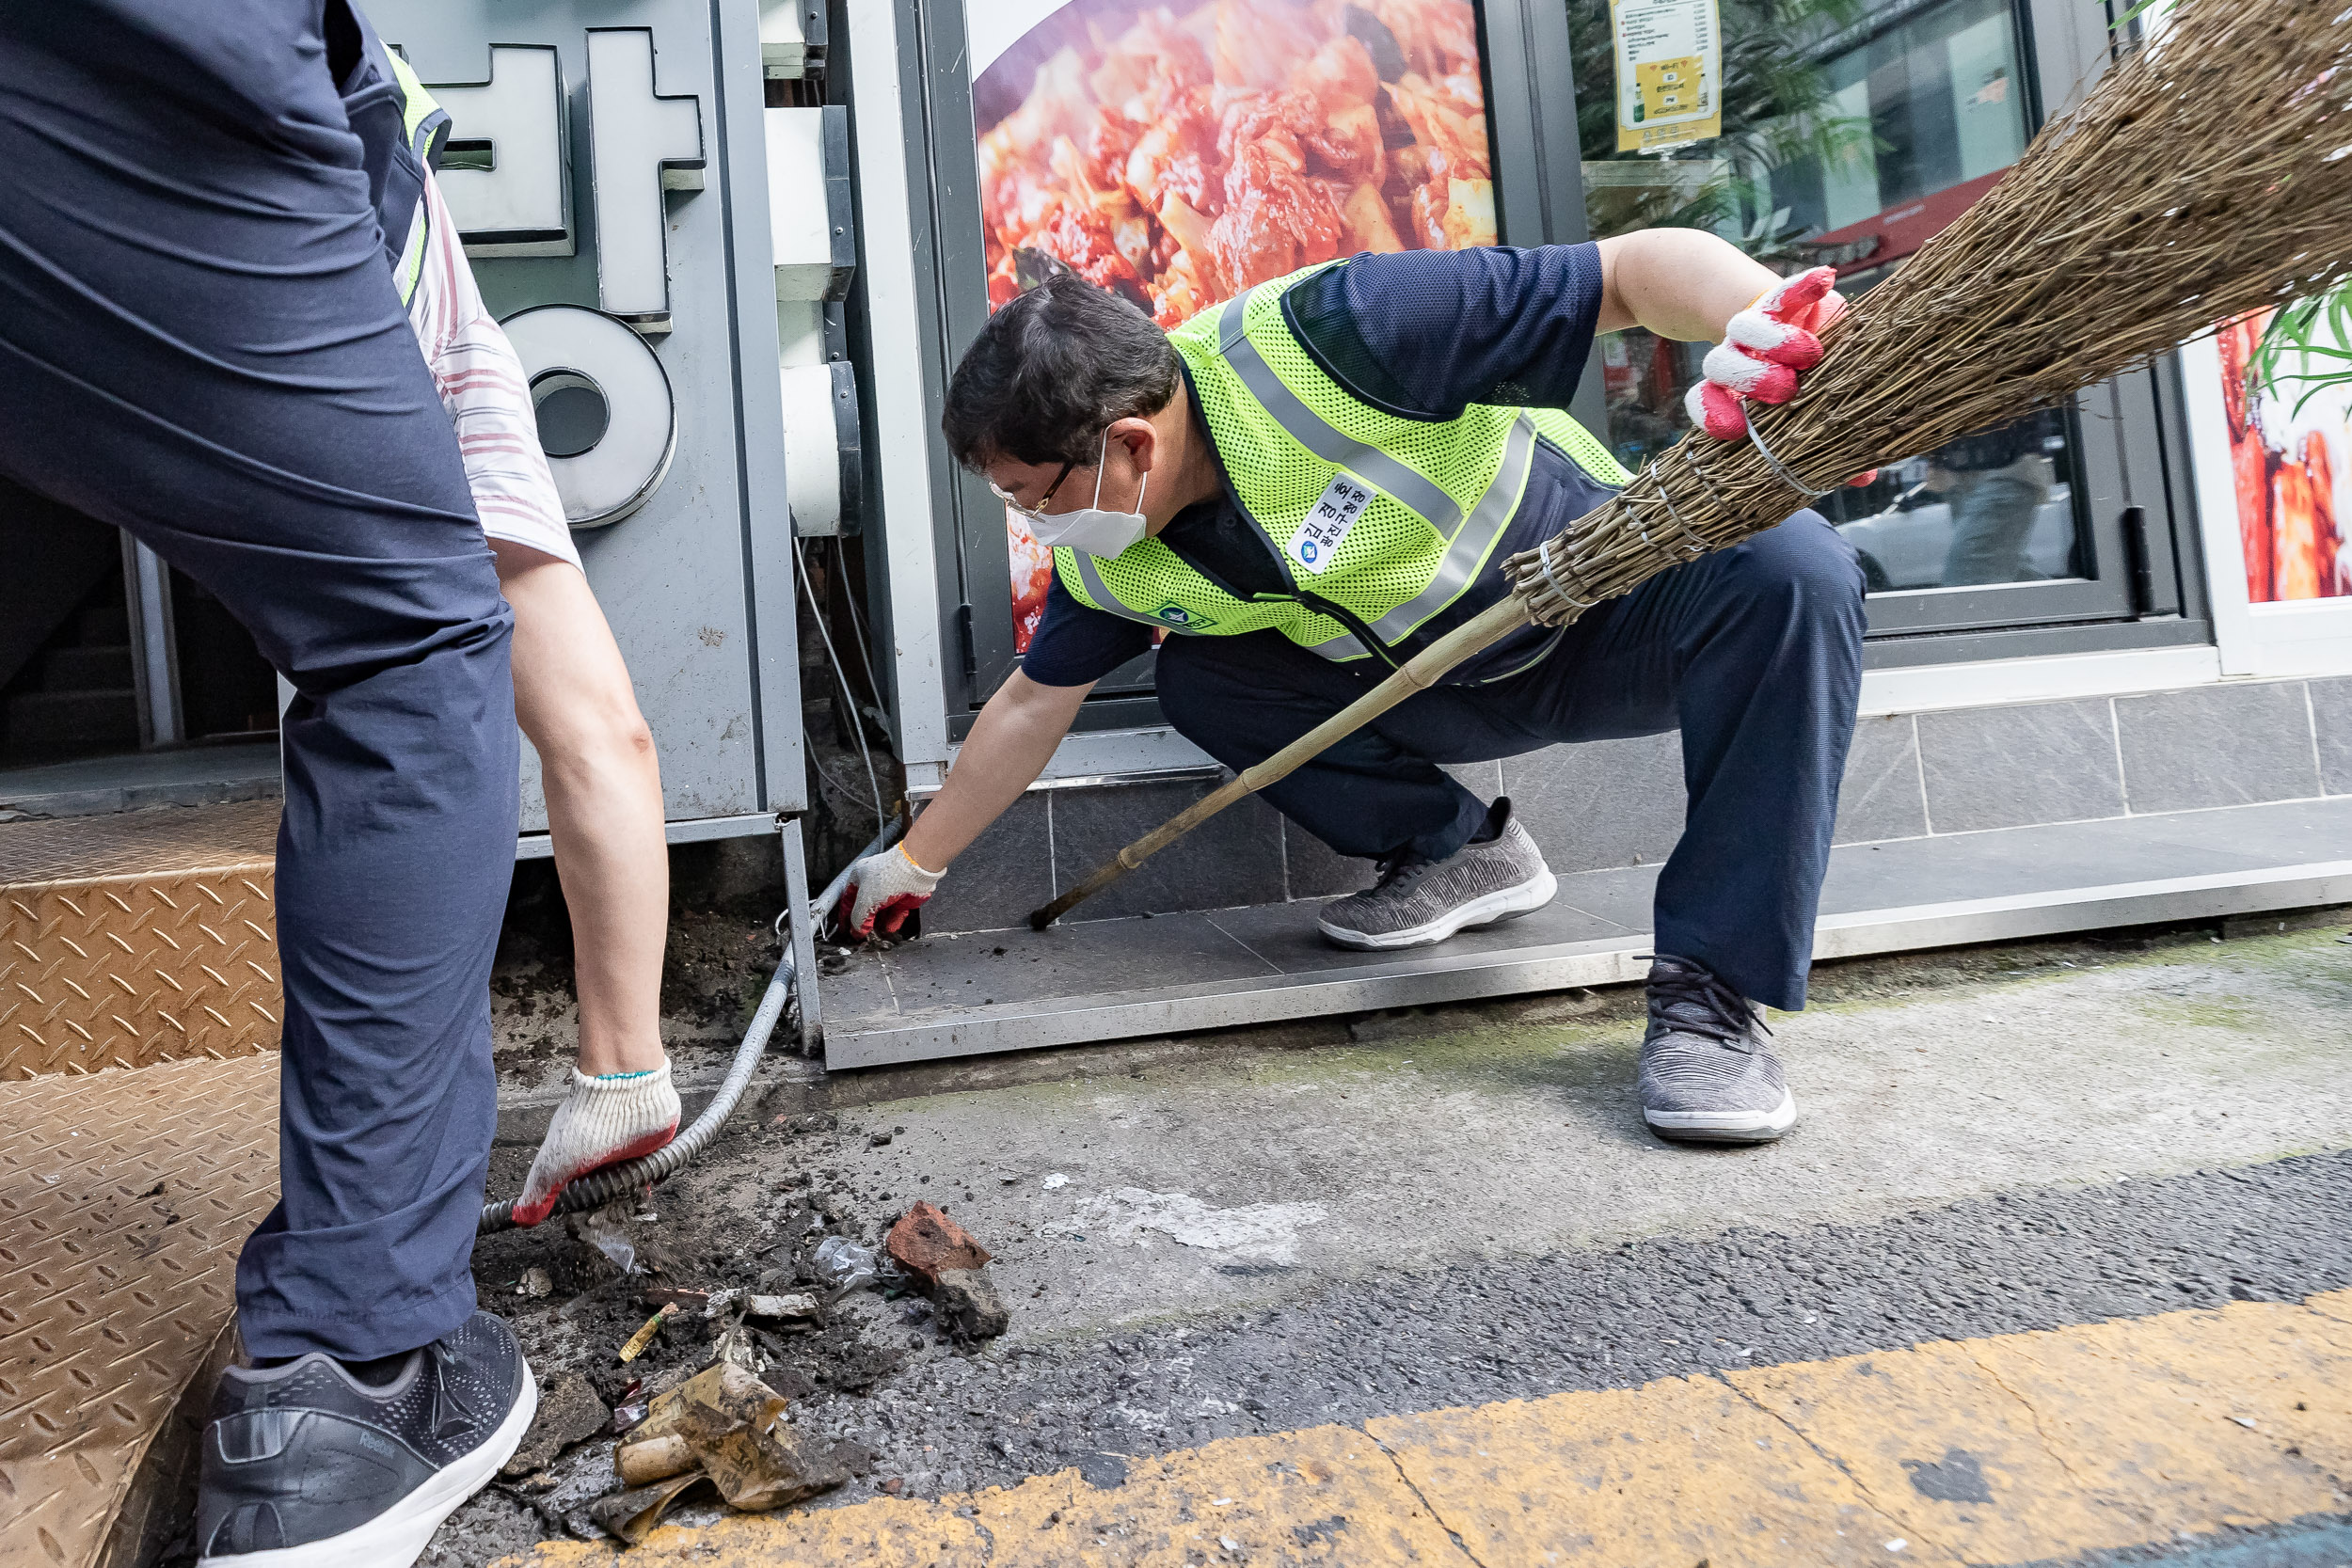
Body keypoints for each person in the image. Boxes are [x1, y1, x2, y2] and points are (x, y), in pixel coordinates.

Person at [840, 235, 1865, 1147]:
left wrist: (1766, 321)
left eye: (1034, 496)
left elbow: (1637, 273)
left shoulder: (1339, 333)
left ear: (1128, 444)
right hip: (1439, 687)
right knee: (1204, 678)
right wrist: (914, 864)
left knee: (1792, 568)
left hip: (1610, 618)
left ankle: (1709, 993)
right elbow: (1029, 703)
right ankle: (1462, 851)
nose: (1035, 526)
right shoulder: (1118, 558)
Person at [3, 5, 531, 1561]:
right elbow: (573, 713)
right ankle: (349, 1377)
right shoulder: (410, 298)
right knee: (406, 646)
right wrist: (627, 1073)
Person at [390, 96, 680, 1228]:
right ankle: (624, 1069)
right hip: (433, 313)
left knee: (387, 735)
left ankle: (399, 1205)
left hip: (311, 309)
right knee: (596, 727)